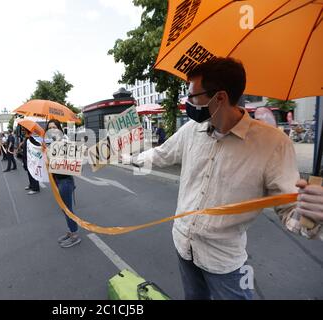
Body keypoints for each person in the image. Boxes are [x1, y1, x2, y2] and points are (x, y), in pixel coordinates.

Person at [128, 57, 323, 300]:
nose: (188, 102)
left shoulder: (272, 144)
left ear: (219, 98)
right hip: (183, 245)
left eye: (193, 96)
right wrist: (128, 158)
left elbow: (290, 213)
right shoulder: (191, 131)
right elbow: (161, 154)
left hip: (223, 263)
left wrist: (310, 218)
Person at [45, 119, 81, 248]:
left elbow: (70, 162)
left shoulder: (65, 142)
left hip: (65, 181)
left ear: (59, 129)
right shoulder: (52, 144)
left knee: (67, 210)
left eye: (54, 127)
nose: (52, 130)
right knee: (64, 209)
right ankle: (71, 231)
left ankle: (75, 235)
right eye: (49, 128)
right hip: (57, 180)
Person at [21, 128, 40, 194]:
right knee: (29, 173)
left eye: (24, 130)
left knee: (33, 173)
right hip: (26, 158)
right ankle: (31, 185)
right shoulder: (27, 138)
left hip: (31, 158)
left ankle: (35, 188)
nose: (23, 132)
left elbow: (36, 146)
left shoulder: (32, 138)